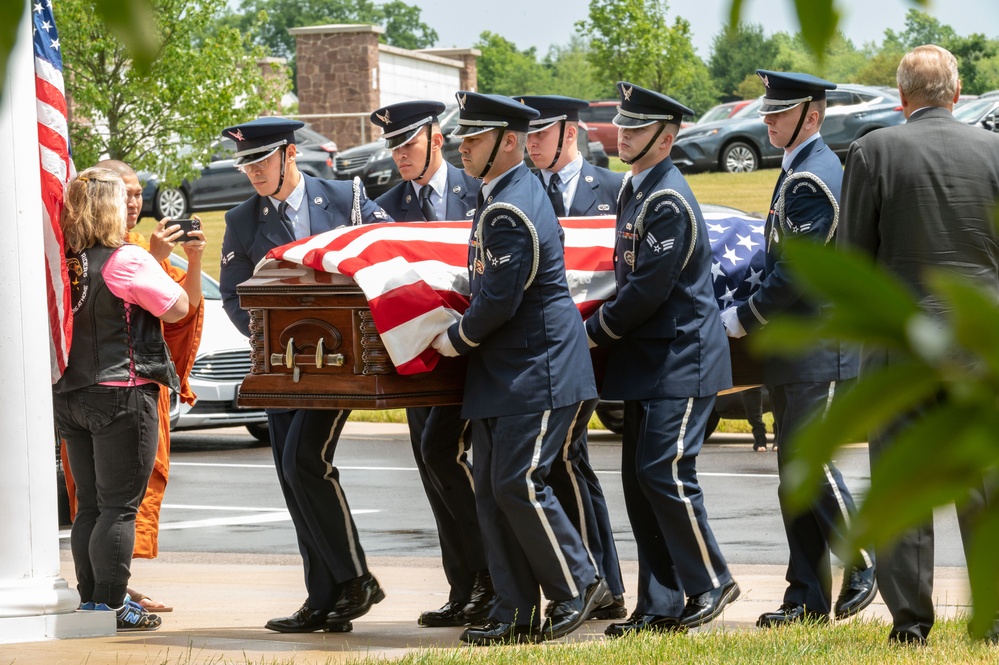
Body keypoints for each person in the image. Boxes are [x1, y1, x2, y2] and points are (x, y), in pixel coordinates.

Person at [838, 44, 999, 646]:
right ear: (956, 94)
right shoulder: (994, 150)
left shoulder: (874, 150)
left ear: (901, 97)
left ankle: (911, 622)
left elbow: (853, 256)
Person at [431, 91, 605, 645]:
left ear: (508, 142)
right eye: (462, 138)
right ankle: (514, 609)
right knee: (491, 488)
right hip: (511, 372)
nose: (463, 148)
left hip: (539, 369)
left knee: (518, 482)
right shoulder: (502, 195)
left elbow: (500, 300)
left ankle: (578, 584)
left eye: (475, 139)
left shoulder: (510, 206)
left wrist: (454, 338)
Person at [218, 116, 391, 634]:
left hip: (339, 363)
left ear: (289, 155)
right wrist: (269, 340)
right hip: (280, 365)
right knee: (293, 479)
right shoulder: (242, 219)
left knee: (303, 461)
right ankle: (326, 598)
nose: (251, 172)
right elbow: (233, 295)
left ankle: (357, 579)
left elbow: (385, 251)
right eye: (244, 163)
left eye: (260, 160)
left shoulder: (345, 199)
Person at [719, 70, 877, 628]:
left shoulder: (814, 177)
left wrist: (743, 316)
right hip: (797, 350)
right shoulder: (799, 172)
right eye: (767, 111)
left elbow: (798, 275)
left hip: (820, 346)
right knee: (793, 478)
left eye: (778, 113)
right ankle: (805, 596)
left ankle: (862, 557)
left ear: (811, 115)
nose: (767, 121)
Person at [584, 82, 739, 637]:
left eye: (635, 127)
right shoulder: (637, 188)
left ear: (666, 137)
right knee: (639, 481)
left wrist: (592, 332)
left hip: (681, 358)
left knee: (665, 473)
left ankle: (712, 580)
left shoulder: (667, 198)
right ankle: (659, 603)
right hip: (651, 361)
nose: (622, 133)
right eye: (621, 125)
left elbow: (648, 289)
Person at [52, 166, 203, 631]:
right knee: (119, 507)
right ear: (109, 209)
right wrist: (164, 262)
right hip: (123, 392)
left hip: (71, 395)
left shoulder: (64, 264)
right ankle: (113, 605)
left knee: (92, 506)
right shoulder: (128, 260)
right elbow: (178, 307)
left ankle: (92, 602)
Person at [368, 100, 496, 628]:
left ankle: (494, 580)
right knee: (434, 470)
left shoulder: (477, 191)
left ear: (436, 140)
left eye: (408, 145)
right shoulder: (383, 207)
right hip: (422, 360)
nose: (399, 156)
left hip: (480, 353)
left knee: (466, 466)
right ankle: (464, 586)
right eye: (392, 148)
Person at [516, 94, 627, 620]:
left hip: (599, 347)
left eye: (540, 134)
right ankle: (599, 581)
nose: (530, 143)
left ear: (571, 132)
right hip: (546, 354)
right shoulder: (523, 190)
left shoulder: (612, 189)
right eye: (527, 135)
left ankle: (599, 580)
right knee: (567, 460)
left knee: (568, 461)